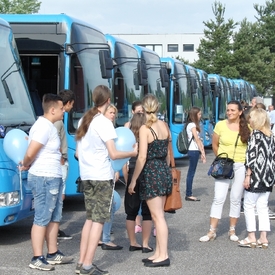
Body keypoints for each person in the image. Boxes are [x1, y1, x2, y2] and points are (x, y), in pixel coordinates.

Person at [75, 85, 137, 275]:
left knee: (90, 219)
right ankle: (87, 265)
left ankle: (81, 262)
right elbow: (114, 153)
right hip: (101, 176)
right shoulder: (103, 123)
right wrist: (132, 152)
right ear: (108, 100)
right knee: (99, 221)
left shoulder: (83, 121)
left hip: (86, 175)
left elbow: (78, 153)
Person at [20, 94, 73, 271]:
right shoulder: (43, 127)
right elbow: (31, 151)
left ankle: (52, 253)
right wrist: (26, 164)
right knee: (42, 217)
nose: (63, 111)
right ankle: (37, 257)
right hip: (43, 177)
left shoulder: (49, 126)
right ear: (52, 110)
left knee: (55, 215)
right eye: (61, 108)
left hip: (53, 176)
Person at [128, 94, 172, 268]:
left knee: (158, 216)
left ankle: (164, 255)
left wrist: (133, 180)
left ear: (144, 109)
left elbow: (142, 157)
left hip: (152, 172)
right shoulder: (164, 126)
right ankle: (159, 253)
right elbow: (168, 154)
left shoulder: (146, 129)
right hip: (162, 170)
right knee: (157, 215)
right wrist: (166, 172)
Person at [199, 100, 250, 243]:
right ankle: (212, 231)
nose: (230, 112)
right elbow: (215, 144)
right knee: (218, 197)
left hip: (240, 164)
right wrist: (221, 159)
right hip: (224, 164)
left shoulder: (247, 127)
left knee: (235, 197)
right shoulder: (220, 125)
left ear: (240, 112)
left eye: (233, 110)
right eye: (228, 110)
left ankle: (232, 230)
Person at [239, 108, 275, 248]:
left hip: (256, 175)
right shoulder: (271, 135)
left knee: (248, 205)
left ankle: (251, 237)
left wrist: (248, 175)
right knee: (263, 206)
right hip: (268, 176)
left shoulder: (255, 135)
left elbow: (251, 157)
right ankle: (263, 238)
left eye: (251, 118)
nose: (249, 120)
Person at [124, 112, 153, 253]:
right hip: (146, 173)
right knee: (147, 212)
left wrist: (128, 179)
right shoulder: (148, 134)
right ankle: (146, 244)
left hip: (132, 173)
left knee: (131, 211)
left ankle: (133, 242)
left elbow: (124, 162)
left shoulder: (128, 137)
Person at [99, 103, 123, 250]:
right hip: (103, 173)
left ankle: (102, 237)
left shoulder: (109, 128)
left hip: (108, 171)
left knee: (105, 207)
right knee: (109, 206)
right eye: (110, 112)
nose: (113, 115)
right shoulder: (105, 128)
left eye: (114, 113)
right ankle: (105, 238)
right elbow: (111, 153)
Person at [54, 89, 75, 240]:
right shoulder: (59, 122)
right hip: (60, 163)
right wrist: (61, 157)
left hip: (60, 162)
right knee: (59, 197)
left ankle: (56, 227)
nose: (71, 108)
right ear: (67, 103)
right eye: (71, 105)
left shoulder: (56, 120)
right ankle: (55, 229)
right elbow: (55, 140)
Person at [124, 100, 144, 233]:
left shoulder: (146, 128)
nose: (141, 114)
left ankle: (138, 227)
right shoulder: (129, 126)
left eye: (143, 112)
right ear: (133, 112)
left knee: (133, 202)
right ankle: (139, 223)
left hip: (133, 166)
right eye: (139, 112)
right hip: (135, 165)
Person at [185, 107, 206, 201]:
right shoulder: (192, 124)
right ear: (194, 115)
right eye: (199, 114)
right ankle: (188, 194)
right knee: (191, 173)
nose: (200, 116)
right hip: (193, 150)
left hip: (194, 150)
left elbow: (198, 140)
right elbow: (197, 139)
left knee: (191, 172)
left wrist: (202, 152)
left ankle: (189, 193)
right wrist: (203, 153)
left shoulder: (192, 124)